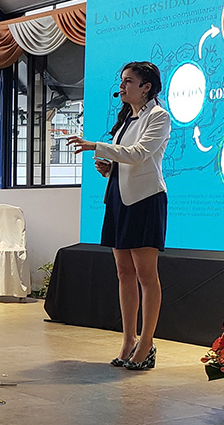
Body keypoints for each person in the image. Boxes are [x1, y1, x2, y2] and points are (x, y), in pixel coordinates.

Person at [67, 61, 170, 371]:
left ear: (146, 87)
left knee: (146, 276)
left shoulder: (159, 117)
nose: (122, 86)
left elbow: (140, 155)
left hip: (145, 200)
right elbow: (127, 160)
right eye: (122, 81)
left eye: (129, 81)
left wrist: (95, 146)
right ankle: (128, 340)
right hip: (118, 198)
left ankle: (147, 344)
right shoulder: (127, 118)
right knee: (124, 273)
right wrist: (109, 168)